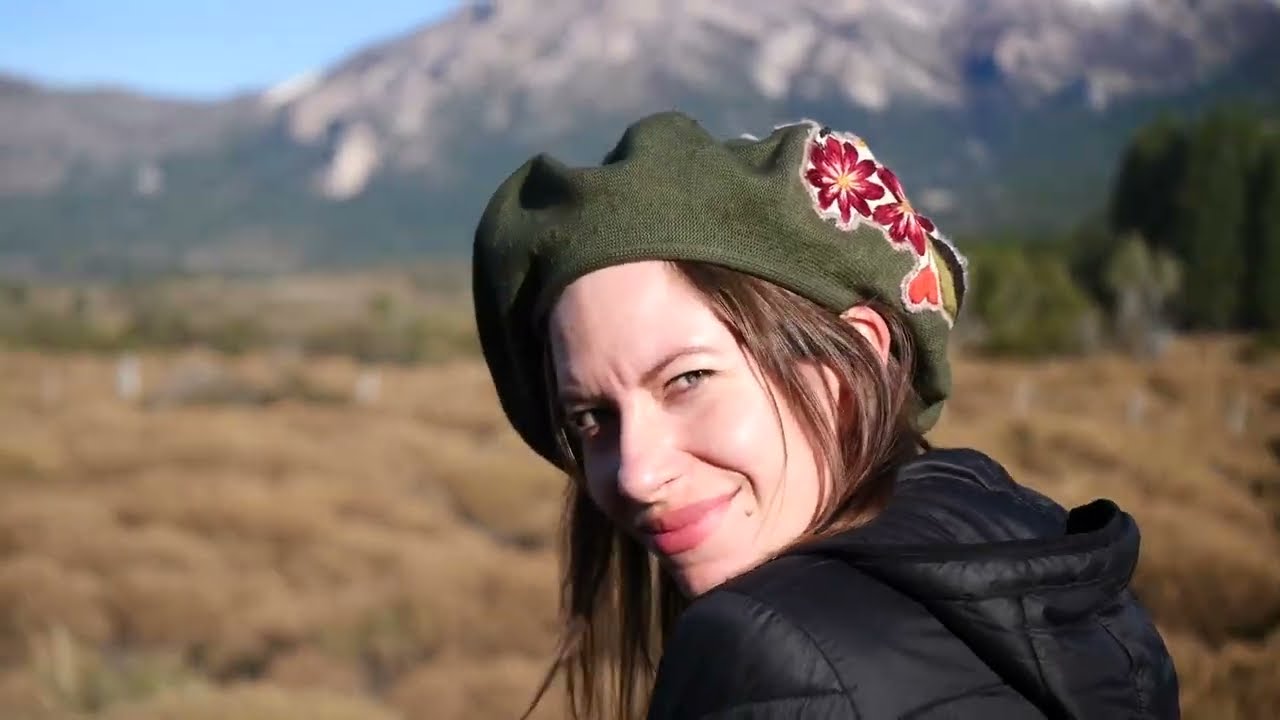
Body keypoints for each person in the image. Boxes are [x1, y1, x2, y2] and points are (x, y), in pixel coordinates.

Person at [471, 111, 1180, 719]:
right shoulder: (1043, 557)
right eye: (592, 417)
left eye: (688, 379)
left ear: (854, 362)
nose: (637, 472)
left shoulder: (763, 651)